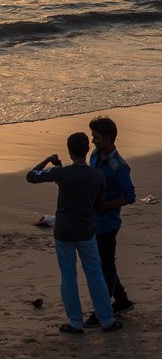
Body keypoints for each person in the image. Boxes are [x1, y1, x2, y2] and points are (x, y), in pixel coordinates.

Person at [26, 132, 122, 333]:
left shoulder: (63, 174)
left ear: (69, 151)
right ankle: (106, 319)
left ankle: (75, 322)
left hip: (64, 232)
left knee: (68, 276)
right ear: (88, 150)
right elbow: (98, 205)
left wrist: (48, 160)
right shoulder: (97, 176)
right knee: (95, 274)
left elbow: (32, 177)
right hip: (86, 230)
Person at [83, 117, 136, 327]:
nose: (92, 141)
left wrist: (105, 205)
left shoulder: (119, 167)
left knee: (104, 266)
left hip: (108, 224)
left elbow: (130, 196)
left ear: (107, 138)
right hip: (94, 221)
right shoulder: (95, 155)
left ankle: (102, 309)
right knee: (104, 265)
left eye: (95, 137)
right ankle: (121, 300)